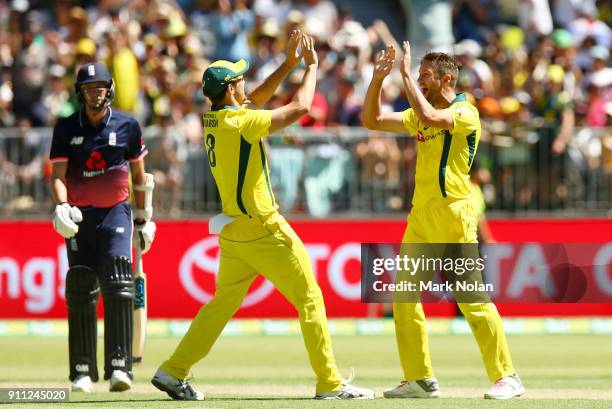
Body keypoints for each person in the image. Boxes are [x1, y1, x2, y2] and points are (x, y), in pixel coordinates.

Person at [151, 30, 374, 401]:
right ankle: (330, 382)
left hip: (234, 231)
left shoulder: (216, 119)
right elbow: (301, 109)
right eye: (240, 80)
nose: (245, 84)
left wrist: (288, 64)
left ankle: (173, 370)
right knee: (310, 299)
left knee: (222, 304)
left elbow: (254, 99)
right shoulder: (241, 124)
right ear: (232, 89)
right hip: (264, 226)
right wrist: (312, 67)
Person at [363, 42, 524, 400]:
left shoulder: (465, 111)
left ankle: (508, 376)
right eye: (417, 75)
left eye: (424, 76)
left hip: (454, 216)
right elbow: (371, 120)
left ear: (446, 78)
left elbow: (434, 120)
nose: (419, 81)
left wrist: (404, 76)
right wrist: (377, 80)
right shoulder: (420, 112)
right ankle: (419, 378)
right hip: (420, 217)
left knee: (472, 300)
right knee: (404, 299)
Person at [49, 62, 156, 393]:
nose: (96, 93)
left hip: (117, 213)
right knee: (81, 287)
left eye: (100, 87)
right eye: (89, 88)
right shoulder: (66, 127)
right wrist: (62, 207)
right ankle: (82, 370)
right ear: (80, 93)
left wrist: (144, 218)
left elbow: (140, 177)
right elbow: (58, 177)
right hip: (80, 216)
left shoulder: (127, 125)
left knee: (119, 281)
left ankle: (119, 368)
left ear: (109, 88)